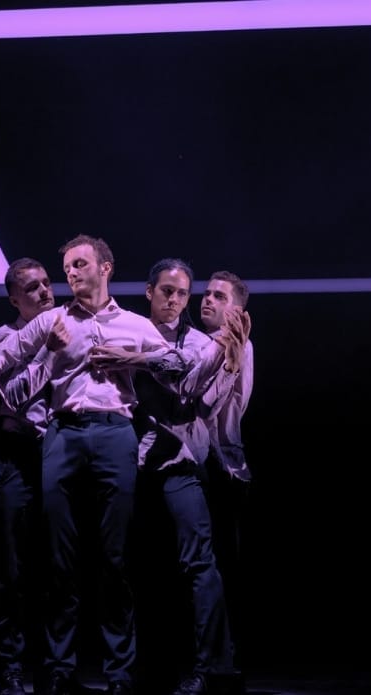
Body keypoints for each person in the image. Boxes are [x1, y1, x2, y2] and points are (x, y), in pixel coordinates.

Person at [0, 235, 243, 695]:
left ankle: (120, 674)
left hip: (116, 434)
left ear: (105, 268)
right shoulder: (53, 322)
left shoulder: (137, 325)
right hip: (63, 434)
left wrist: (144, 356)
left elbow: (180, 366)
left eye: (80, 264)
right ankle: (59, 671)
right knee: (59, 557)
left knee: (115, 558)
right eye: (67, 267)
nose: (72, 273)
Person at [130, 259, 249, 695]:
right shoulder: (129, 329)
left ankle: (210, 665)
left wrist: (230, 361)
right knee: (135, 568)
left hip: (182, 463)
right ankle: (135, 667)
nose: (175, 300)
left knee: (199, 566)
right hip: (135, 465)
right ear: (149, 292)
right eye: (166, 291)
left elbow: (203, 395)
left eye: (182, 293)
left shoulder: (203, 343)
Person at [0, 258, 58, 695]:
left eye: (47, 283)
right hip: (14, 455)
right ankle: (10, 664)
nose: (46, 291)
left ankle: (54, 666)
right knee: (8, 565)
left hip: (55, 454)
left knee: (55, 566)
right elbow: (13, 397)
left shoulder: (69, 330)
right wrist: (50, 347)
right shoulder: (2, 338)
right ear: (15, 298)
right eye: (33, 288)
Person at [197, 271, 254, 683]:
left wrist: (229, 357)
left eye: (219, 296)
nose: (208, 300)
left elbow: (220, 411)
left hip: (224, 467)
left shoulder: (240, 348)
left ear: (237, 309)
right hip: (203, 465)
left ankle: (224, 660)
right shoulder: (196, 343)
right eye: (206, 293)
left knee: (222, 568)